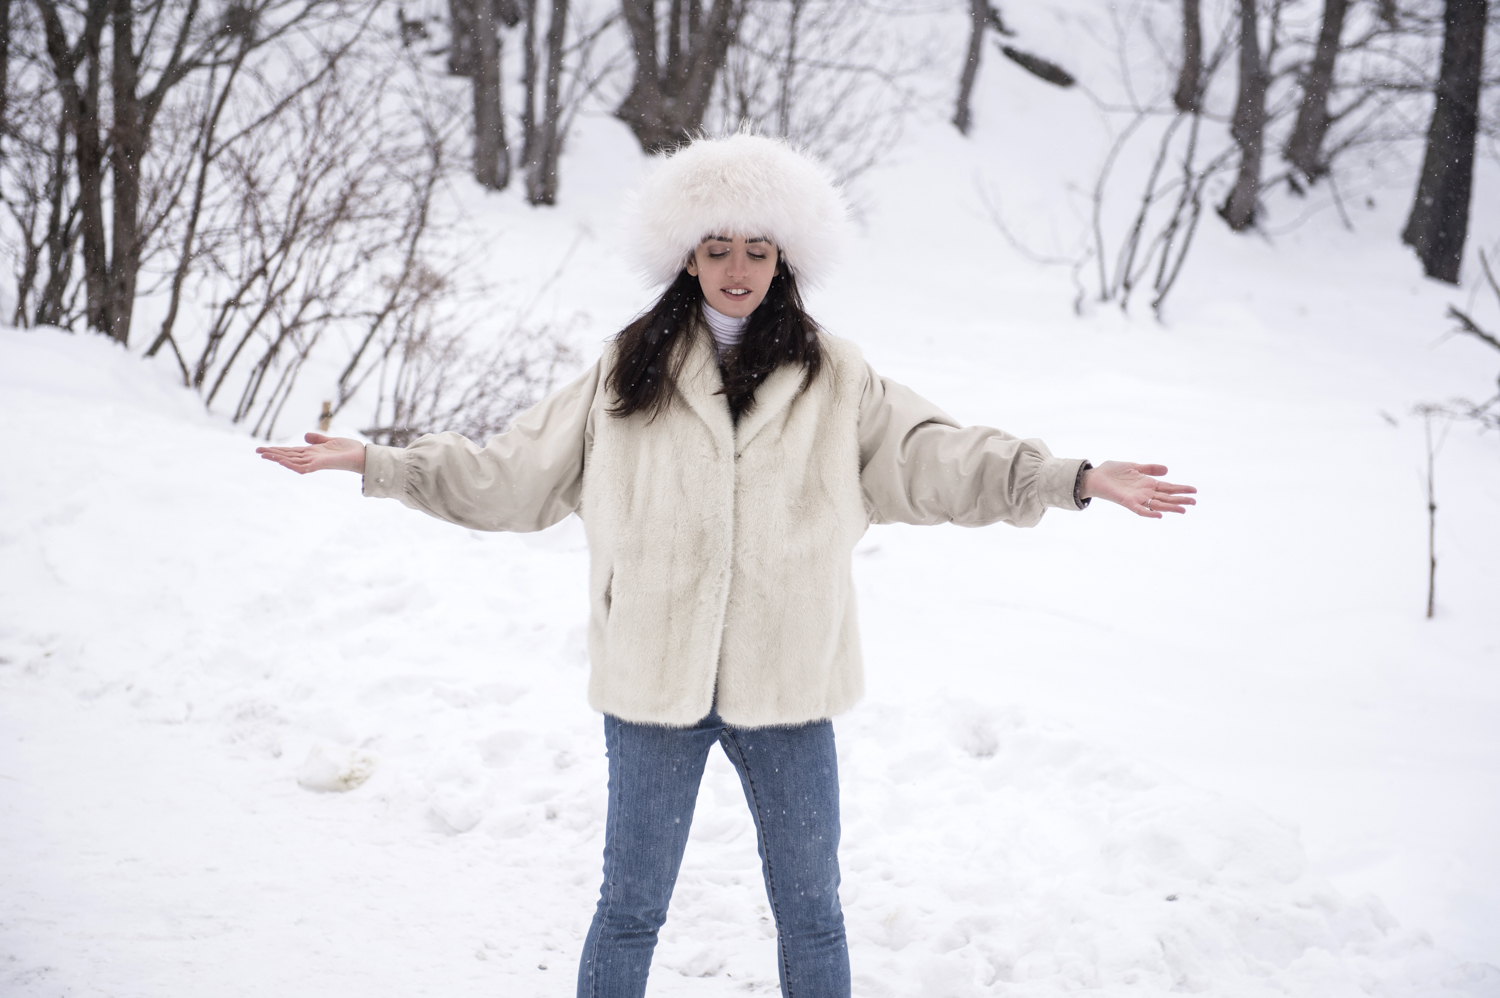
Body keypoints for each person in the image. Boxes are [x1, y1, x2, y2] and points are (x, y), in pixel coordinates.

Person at [257, 133, 1196, 998]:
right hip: (651, 687)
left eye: (756, 249)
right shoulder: (627, 369)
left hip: (788, 689)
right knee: (630, 909)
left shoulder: (836, 375)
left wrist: (1069, 478)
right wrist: (381, 463)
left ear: (784, 257)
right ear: (687, 258)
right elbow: (511, 475)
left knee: (812, 913)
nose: (737, 269)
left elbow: (937, 458)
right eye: (717, 250)